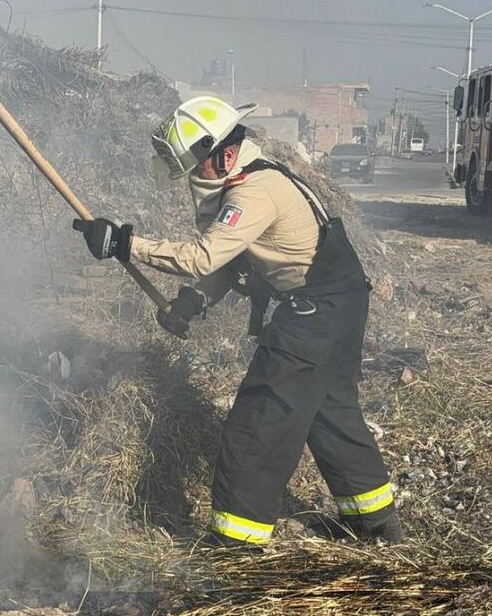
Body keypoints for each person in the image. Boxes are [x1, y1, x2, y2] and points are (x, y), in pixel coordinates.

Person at [73, 96, 401, 548]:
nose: (193, 177)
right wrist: (194, 301)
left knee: (258, 423)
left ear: (225, 154)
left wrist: (125, 244)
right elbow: (232, 262)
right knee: (330, 411)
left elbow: (202, 256)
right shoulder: (250, 178)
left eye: (197, 167)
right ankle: (374, 521)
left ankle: (237, 542)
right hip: (339, 303)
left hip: (315, 314)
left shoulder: (252, 192)